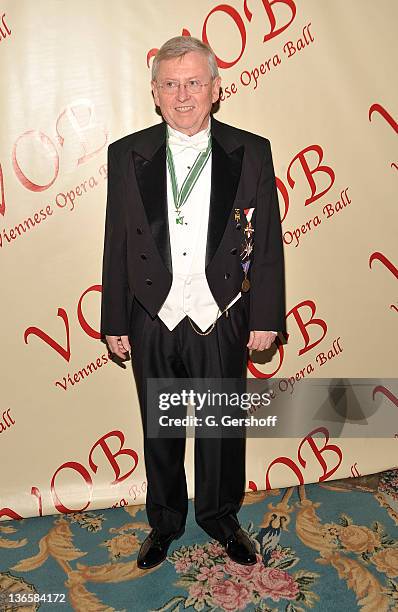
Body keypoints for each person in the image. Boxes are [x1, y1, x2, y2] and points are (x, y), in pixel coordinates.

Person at [100, 36, 286, 570]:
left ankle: (221, 518)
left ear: (216, 88)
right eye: (171, 84)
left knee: (221, 429)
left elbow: (268, 240)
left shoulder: (251, 150)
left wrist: (266, 318)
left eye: (194, 82)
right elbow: (117, 241)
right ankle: (163, 522)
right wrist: (115, 318)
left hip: (221, 312)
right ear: (155, 93)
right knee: (160, 427)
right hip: (152, 314)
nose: (184, 95)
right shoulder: (126, 154)